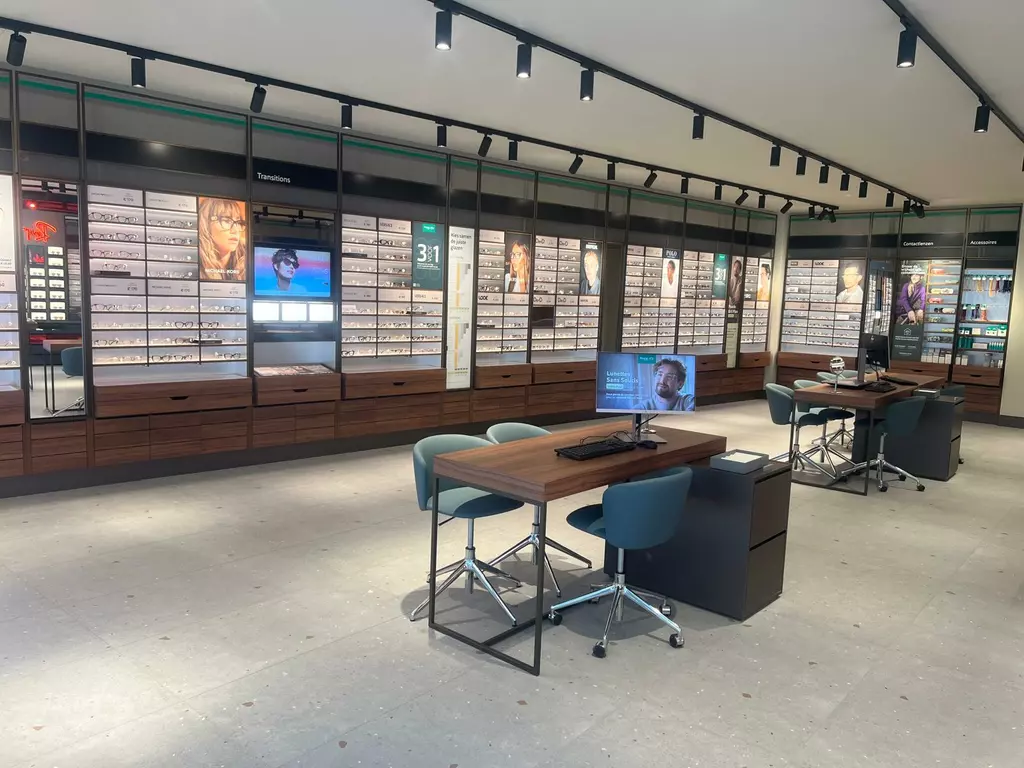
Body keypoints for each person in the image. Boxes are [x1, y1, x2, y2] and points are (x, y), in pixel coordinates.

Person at [198, 197, 247, 281]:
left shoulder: (246, 261)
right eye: (226, 221)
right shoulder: (196, 264)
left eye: (238, 223)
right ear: (206, 224)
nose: (235, 230)